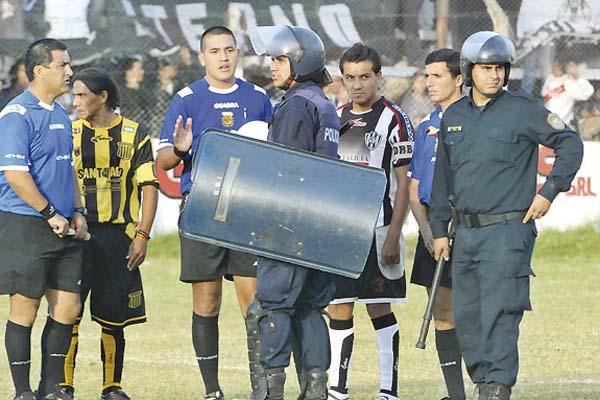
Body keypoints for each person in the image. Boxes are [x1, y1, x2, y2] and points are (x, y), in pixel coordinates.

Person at [430, 31, 584, 400]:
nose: (494, 75)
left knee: (500, 313)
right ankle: (485, 383)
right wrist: (438, 230)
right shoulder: (453, 115)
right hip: (464, 236)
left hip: (507, 232)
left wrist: (549, 191)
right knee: (467, 318)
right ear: (469, 71)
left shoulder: (522, 110)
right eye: (486, 68)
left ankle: (496, 388)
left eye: (499, 68)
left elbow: (570, 143)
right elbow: (442, 180)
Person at [157, 26, 272, 400]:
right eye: (215, 51)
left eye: (229, 50)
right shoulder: (187, 99)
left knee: (254, 302)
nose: (223, 57)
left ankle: (263, 387)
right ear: (201, 57)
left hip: (248, 209)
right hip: (203, 208)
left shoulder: (258, 98)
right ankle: (212, 391)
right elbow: (163, 159)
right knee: (206, 302)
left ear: (238, 54)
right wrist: (179, 149)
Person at [249, 25, 340, 400]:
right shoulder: (322, 102)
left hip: (290, 223)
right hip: (320, 224)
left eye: (280, 59)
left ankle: (271, 392)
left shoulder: (296, 106)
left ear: (300, 62)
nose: (272, 66)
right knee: (310, 307)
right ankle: (316, 389)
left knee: (271, 306)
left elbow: (287, 171)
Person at [62, 68, 159, 400]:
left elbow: (149, 186)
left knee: (113, 316)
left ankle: (111, 387)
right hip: (76, 236)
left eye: (81, 95)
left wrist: (142, 235)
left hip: (118, 238)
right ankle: (64, 386)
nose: (74, 102)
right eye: (72, 95)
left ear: (102, 97)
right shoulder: (68, 132)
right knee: (68, 312)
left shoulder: (134, 133)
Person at [0, 38, 88, 400]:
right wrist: (49, 212)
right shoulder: (15, 114)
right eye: (62, 65)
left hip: (64, 225)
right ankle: (23, 393)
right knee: (26, 307)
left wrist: (78, 211)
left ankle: (51, 389)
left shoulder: (60, 114)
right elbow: (16, 175)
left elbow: (69, 172)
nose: (69, 72)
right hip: (26, 225)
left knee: (68, 307)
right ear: (40, 70)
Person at [327, 43, 413, 400]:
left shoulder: (394, 118)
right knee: (339, 306)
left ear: (379, 77)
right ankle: (337, 390)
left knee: (379, 306)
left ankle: (388, 391)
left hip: (379, 232)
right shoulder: (335, 115)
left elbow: (405, 184)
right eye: (350, 78)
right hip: (341, 233)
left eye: (365, 77)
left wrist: (394, 236)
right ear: (342, 79)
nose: (357, 84)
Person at [408, 48, 466, 400]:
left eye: (437, 76)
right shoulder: (426, 125)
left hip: (465, 229)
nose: (428, 82)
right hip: (432, 231)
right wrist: (429, 233)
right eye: (426, 75)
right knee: (442, 314)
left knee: (470, 313)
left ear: (459, 78)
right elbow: (414, 190)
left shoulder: (471, 122)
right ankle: (455, 393)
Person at [541, 60, 594, 127]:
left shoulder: (569, 81)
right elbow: (544, 93)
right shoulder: (550, 77)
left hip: (561, 121)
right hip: (547, 117)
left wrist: (576, 76)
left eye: (558, 65)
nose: (555, 67)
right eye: (554, 65)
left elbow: (586, 94)